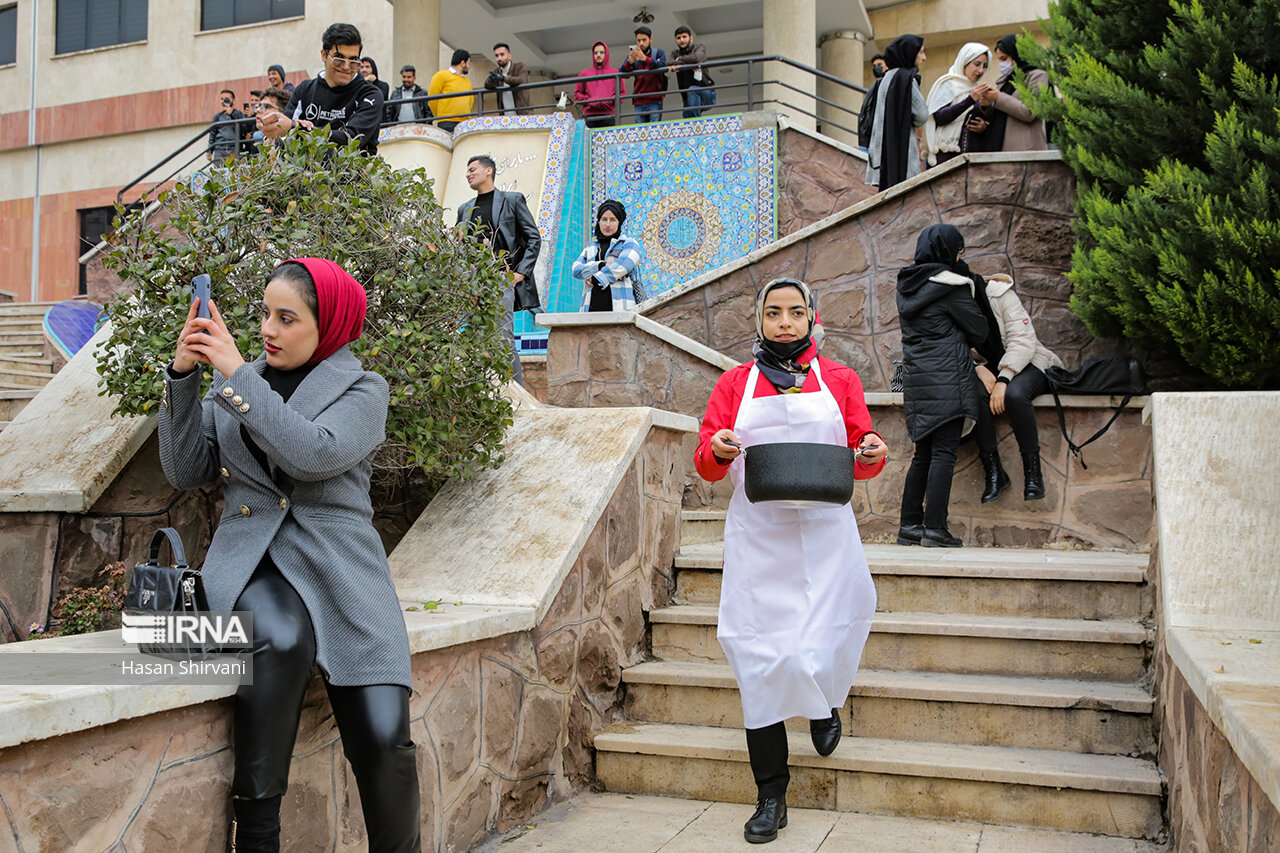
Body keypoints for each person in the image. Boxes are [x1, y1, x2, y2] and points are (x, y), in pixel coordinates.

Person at [157, 259, 421, 852]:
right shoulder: (239, 377)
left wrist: (232, 376)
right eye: (264, 314)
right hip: (254, 562)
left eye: (287, 318)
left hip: (341, 568)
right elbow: (185, 469)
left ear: (326, 327)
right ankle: (256, 838)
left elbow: (312, 455)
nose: (268, 330)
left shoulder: (362, 389)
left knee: (384, 737)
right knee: (276, 639)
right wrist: (182, 378)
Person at [694, 278, 888, 845]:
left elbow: (863, 449)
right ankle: (770, 797)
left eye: (795, 312)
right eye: (773, 313)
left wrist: (872, 448)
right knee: (760, 660)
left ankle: (826, 701)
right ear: (759, 320)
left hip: (826, 534)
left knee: (827, 632)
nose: (785, 322)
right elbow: (706, 460)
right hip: (760, 536)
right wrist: (720, 448)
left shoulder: (842, 379)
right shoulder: (735, 383)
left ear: (811, 319)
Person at [896, 225, 989, 548]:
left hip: (918, 380)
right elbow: (980, 331)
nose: (961, 257)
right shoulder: (953, 287)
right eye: (959, 251)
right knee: (944, 453)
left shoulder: (907, 285)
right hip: (949, 378)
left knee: (923, 453)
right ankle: (935, 528)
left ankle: (909, 525)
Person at [971, 273, 1064, 502]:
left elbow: (1023, 341)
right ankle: (994, 472)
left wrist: (1004, 380)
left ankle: (1033, 474)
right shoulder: (955, 307)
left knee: (1015, 395)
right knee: (974, 395)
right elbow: (955, 348)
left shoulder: (1000, 295)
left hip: (1031, 361)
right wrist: (976, 368)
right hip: (992, 367)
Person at [456, 154, 542, 385]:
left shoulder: (512, 200)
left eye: (472, 169)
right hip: (472, 281)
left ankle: (516, 393)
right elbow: (458, 247)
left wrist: (520, 273)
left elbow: (533, 237)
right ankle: (475, 392)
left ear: (488, 171)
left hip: (500, 278)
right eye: (467, 171)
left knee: (503, 337)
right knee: (473, 337)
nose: (468, 174)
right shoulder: (464, 209)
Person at [260, 23, 385, 155]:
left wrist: (296, 128)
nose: (346, 67)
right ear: (324, 55)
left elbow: (351, 139)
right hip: (304, 172)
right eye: (339, 59)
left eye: (353, 61)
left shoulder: (370, 95)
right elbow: (284, 138)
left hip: (352, 173)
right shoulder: (304, 91)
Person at [864, 34, 928, 192]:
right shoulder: (906, 79)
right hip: (902, 155)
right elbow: (922, 114)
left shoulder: (886, 79)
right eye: (920, 52)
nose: (924, 57)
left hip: (883, 155)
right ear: (909, 53)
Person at [965, 35, 1049, 152]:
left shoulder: (1037, 76)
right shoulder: (1005, 81)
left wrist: (998, 97)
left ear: (1017, 55)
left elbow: (1030, 112)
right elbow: (999, 114)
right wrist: (987, 105)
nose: (1001, 64)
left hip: (1026, 149)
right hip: (1001, 148)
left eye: (1004, 58)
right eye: (999, 59)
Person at [924, 42, 991, 166]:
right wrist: (970, 100)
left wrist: (984, 127)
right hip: (945, 158)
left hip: (971, 160)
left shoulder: (977, 89)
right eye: (977, 64)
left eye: (985, 66)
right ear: (964, 62)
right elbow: (939, 117)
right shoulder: (947, 84)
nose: (981, 70)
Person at [572, 200, 646, 311]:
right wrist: (601, 266)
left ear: (619, 223)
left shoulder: (628, 243)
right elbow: (576, 270)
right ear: (599, 222)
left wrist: (595, 278)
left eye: (612, 220)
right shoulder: (591, 247)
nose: (607, 224)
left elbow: (624, 264)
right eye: (604, 219)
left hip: (621, 311)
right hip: (590, 312)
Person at [619, 26, 667, 123]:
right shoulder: (634, 55)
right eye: (639, 40)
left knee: (654, 131)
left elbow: (662, 65)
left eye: (644, 40)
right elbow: (622, 73)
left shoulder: (658, 53)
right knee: (640, 133)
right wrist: (629, 62)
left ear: (650, 39)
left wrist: (645, 58)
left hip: (655, 100)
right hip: (639, 102)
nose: (641, 43)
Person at [574, 41, 625, 128]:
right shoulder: (584, 74)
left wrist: (608, 101)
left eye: (601, 52)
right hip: (589, 116)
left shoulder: (616, 73)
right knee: (588, 141)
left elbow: (622, 93)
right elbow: (577, 95)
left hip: (609, 115)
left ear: (606, 54)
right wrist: (590, 101)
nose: (598, 55)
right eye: (596, 53)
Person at [668, 26, 716, 118]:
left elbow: (697, 58)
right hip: (688, 98)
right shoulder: (675, 53)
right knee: (686, 119)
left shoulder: (699, 47)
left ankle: (696, 124)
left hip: (706, 92)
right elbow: (669, 62)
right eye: (678, 38)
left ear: (691, 38)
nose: (681, 40)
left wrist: (680, 60)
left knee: (692, 89)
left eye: (684, 37)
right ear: (675, 40)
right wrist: (688, 62)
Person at [428, 49, 474, 131]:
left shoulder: (467, 82)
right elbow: (432, 98)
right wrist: (441, 116)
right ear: (463, 63)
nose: (469, 66)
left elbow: (470, 102)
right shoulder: (441, 75)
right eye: (468, 63)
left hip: (465, 122)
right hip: (447, 121)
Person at [484, 43, 531, 115]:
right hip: (505, 118)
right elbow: (487, 85)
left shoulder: (520, 67)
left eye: (502, 54)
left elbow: (520, 80)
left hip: (523, 116)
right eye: (496, 56)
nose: (499, 58)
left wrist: (503, 78)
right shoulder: (497, 71)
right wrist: (490, 80)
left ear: (509, 56)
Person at [208, 89, 248, 162]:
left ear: (233, 100)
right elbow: (212, 134)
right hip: (220, 149)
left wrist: (231, 114)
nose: (224, 101)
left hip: (234, 148)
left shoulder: (239, 114)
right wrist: (209, 150)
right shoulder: (217, 116)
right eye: (222, 99)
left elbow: (244, 129)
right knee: (219, 171)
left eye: (226, 98)